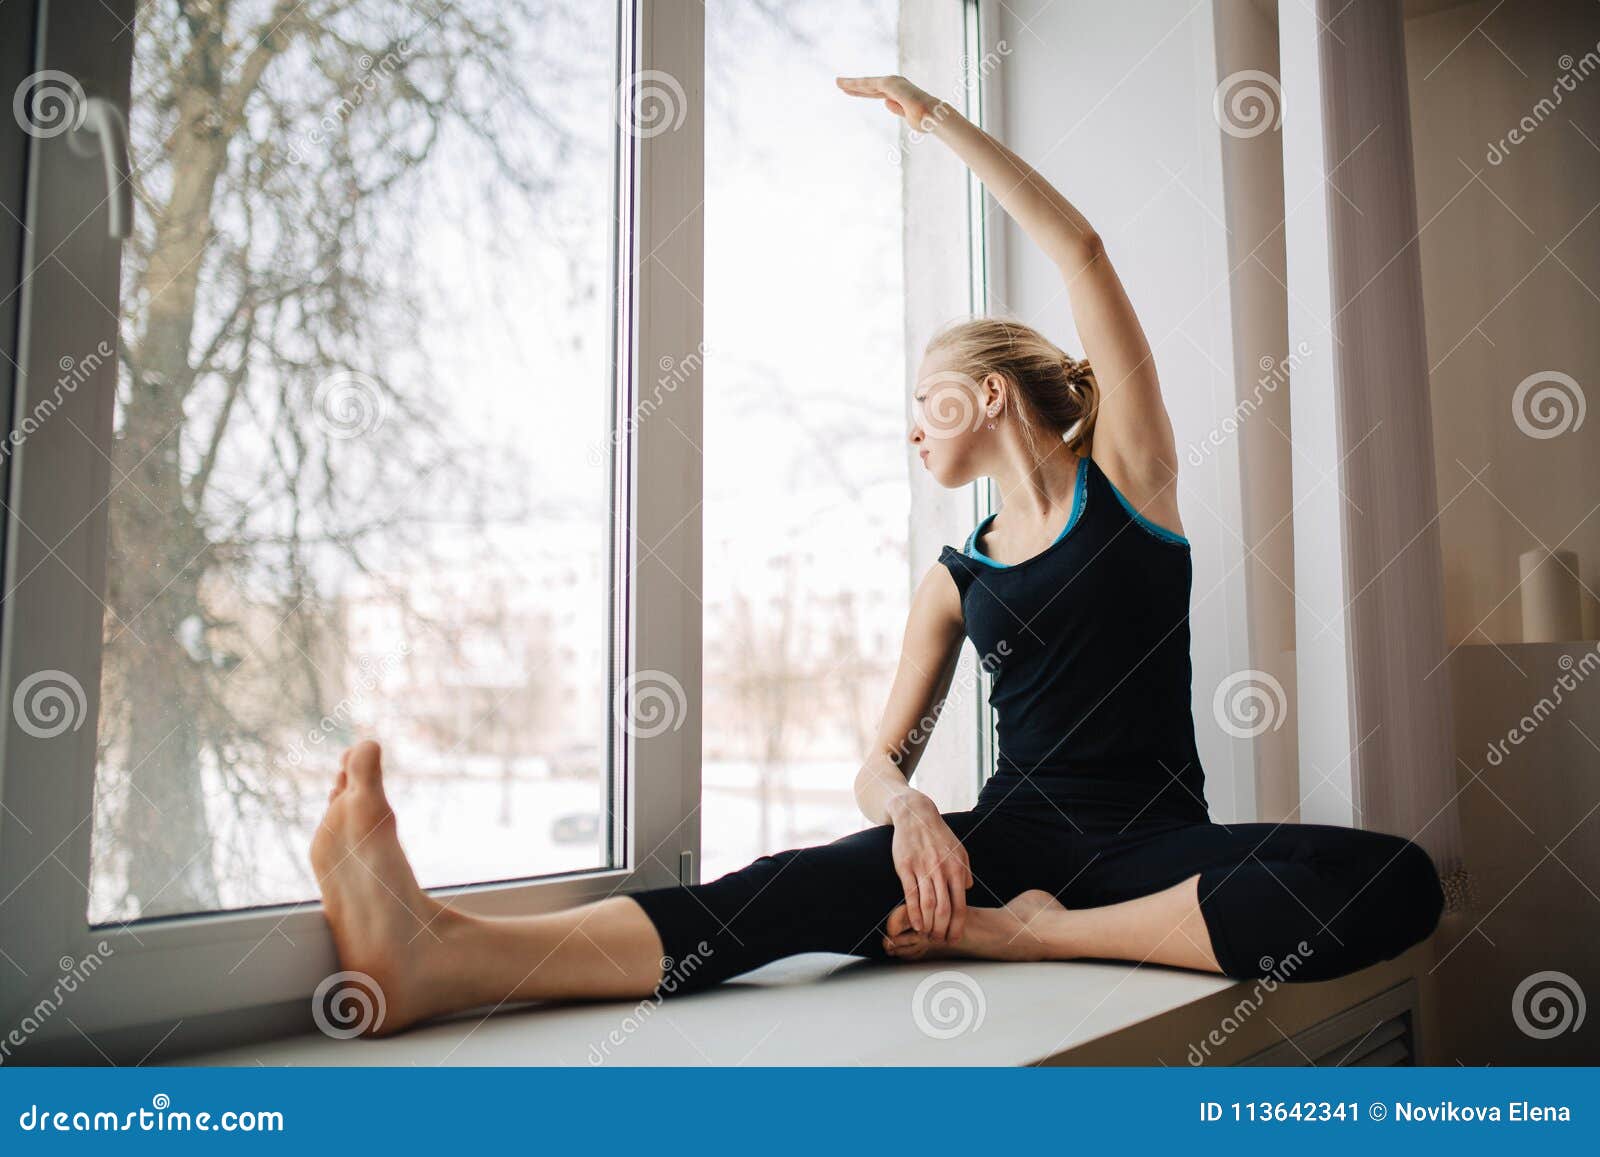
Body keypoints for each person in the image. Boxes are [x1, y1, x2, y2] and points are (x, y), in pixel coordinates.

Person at [309, 75, 1445, 1036]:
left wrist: (936, 122)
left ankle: (1044, 940)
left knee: (1398, 880)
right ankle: (446, 951)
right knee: (774, 893)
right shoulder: (957, 577)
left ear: (989, 391)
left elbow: (1083, 248)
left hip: (1153, 848)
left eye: (923, 403)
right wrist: (907, 810)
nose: (909, 429)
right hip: (995, 842)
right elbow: (877, 757)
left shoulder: (1134, 486)